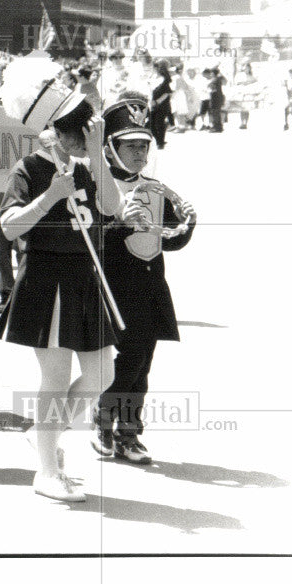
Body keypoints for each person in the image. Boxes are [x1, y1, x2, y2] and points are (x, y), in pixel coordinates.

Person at [0, 85, 124, 502]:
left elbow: (111, 208)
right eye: (80, 135)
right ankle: (47, 470)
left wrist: (98, 156)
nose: (83, 142)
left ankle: (42, 433)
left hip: (85, 277)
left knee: (103, 374)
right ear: (61, 134)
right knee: (56, 377)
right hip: (46, 279)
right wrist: (51, 196)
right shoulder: (29, 167)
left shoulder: (89, 164)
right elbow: (10, 227)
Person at [93, 97, 196, 463]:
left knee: (144, 363)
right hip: (116, 287)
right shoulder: (100, 189)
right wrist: (121, 224)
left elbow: (168, 239)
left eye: (144, 146)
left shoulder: (155, 187)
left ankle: (127, 433)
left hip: (151, 286)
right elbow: (93, 241)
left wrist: (187, 226)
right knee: (131, 357)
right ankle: (104, 418)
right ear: (110, 148)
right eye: (130, 145)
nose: (139, 153)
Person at [148, 61, 173, 149]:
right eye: (155, 67)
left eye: (157, 67)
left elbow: (168, 93)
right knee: (151, 124)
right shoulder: (152, 78)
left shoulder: (165, 79)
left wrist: (158, 101)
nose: (156, 69)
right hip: (152, 103)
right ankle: (158, 140)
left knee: (159, 123)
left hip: (163, 104)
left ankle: (160, 142)